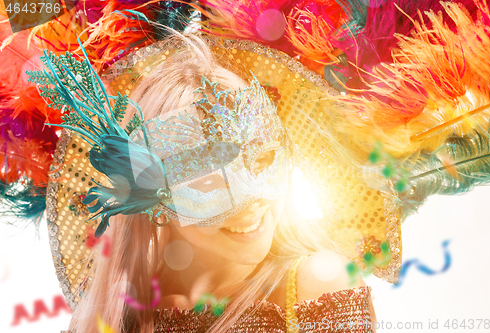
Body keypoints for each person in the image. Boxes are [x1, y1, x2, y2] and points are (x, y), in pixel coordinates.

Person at [56, 32, 376, 333]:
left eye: (262, 159)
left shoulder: (320, 283)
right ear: (153, 197)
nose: (249, 198)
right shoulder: (112, 315)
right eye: (208, 181)